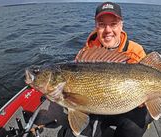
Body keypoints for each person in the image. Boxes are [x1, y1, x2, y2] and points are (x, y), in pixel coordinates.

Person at [59, 2, 153, 137]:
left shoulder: (135, 51)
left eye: (113, 24)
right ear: (96, 26)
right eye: (102, 24)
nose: (108, 30)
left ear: (121, 25)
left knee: (139, 121)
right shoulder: (86, 53)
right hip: (93, 106)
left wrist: (145, 99)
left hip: (125, 105)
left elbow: (150, 78)